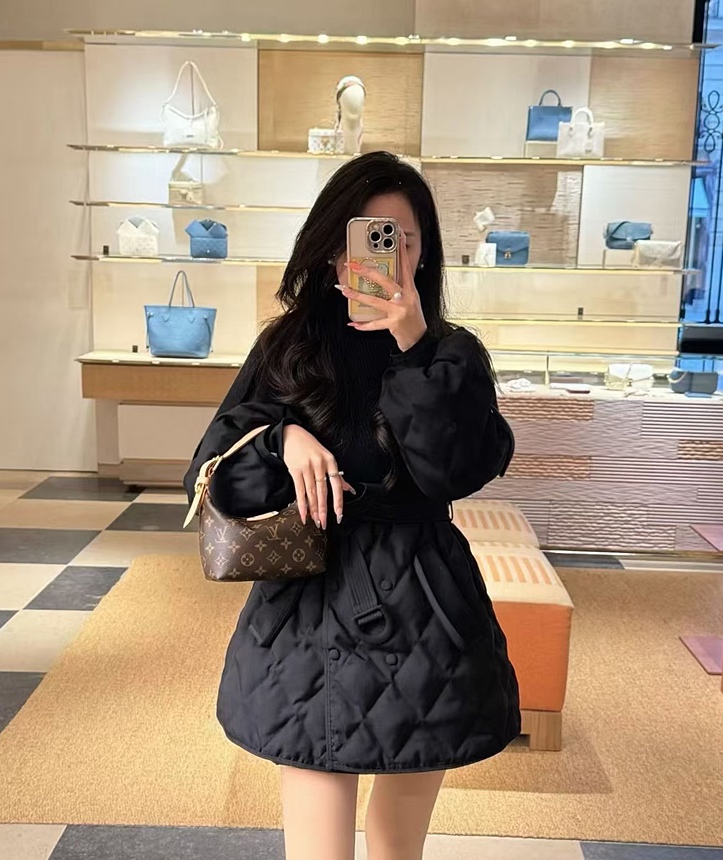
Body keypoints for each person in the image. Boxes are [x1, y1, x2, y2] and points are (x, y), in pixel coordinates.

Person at [183, 151, 521, 860]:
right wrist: (282, 439)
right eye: (367, 238)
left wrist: (413, 345)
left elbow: (455, 472)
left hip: (423, 607)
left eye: (401, 240)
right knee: (319, 846)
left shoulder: (451, 353)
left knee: (399, 845)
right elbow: (212, 476)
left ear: (423, 252)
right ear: (333, 249)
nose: (383, 257)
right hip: (310, 606)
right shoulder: (289, 346)